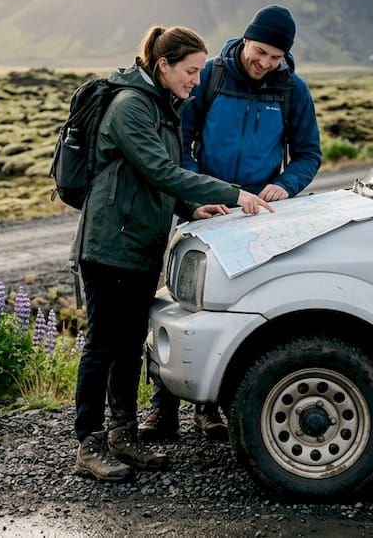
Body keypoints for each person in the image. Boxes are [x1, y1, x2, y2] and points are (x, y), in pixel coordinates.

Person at [71, 25, 270, 482]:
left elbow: (162, 179)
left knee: (127, 343)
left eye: (201, 72)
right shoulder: (130, 107)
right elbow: (159, 169)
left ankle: (123, 437)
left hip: (142, 244)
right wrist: (235, 194)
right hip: (107, 245)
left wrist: (190, 206)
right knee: (103, 344)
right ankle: (89, 444)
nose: (197, 81)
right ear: (163, 65)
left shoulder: (165, 106)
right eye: (191, 71)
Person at [139, 4, 323, 442]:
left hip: (255, 216)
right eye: (260, 52)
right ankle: (161, 407)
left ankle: (210, 409)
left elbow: (308, 154)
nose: (265, 64)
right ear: (245, 40)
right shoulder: (212, 78)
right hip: (205, 210)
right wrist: (195, 196)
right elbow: (180, 140)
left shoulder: (292, 90)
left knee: (235, 307)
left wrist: (286, 184)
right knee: (179, 301)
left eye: (275, 58)